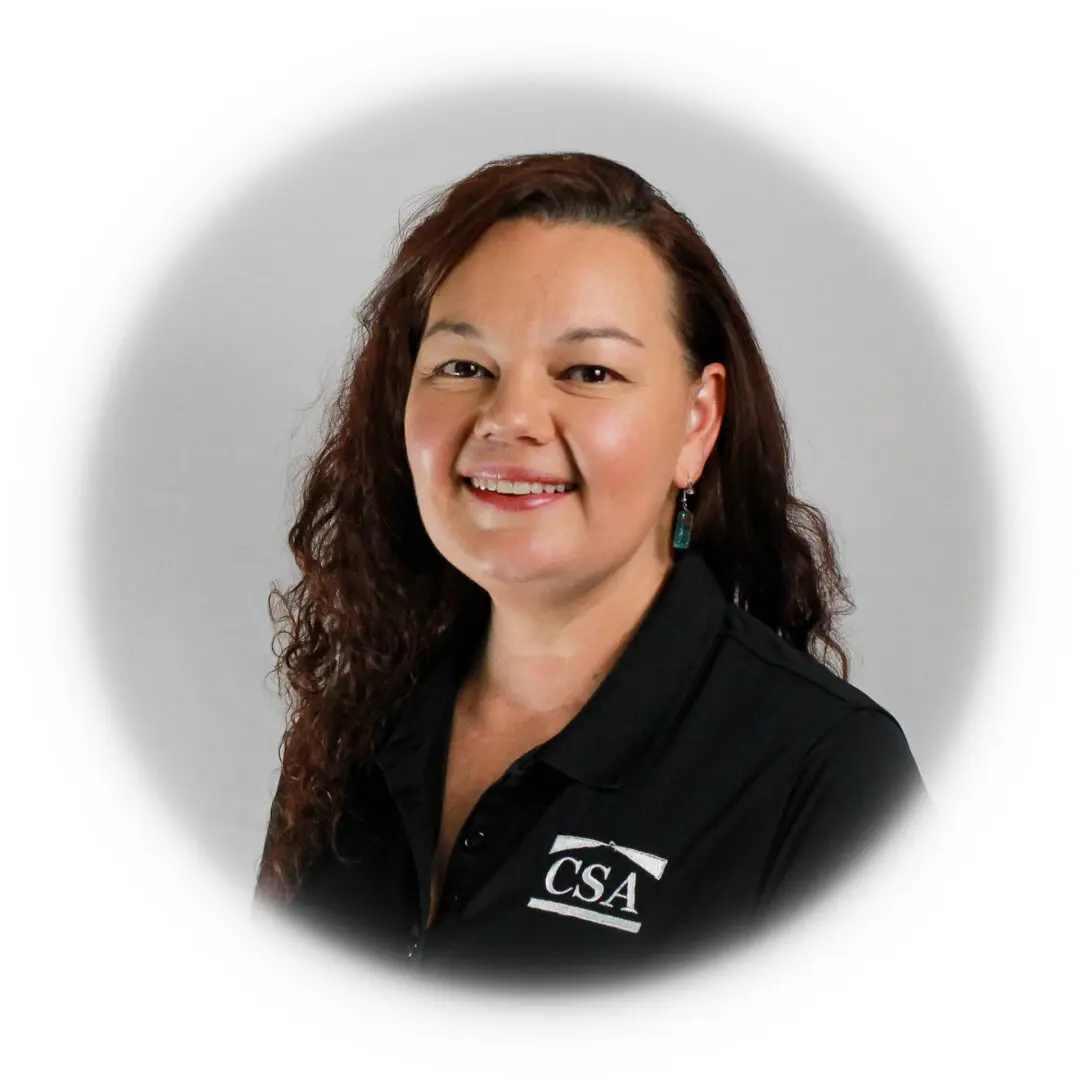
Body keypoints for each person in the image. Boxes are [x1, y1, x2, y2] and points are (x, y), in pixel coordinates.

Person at [255, 150, 929, 987]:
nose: (508, 419)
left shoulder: (825, 775)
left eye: (589, 372)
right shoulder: (359, 725)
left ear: (696, 421)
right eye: (463, 367)